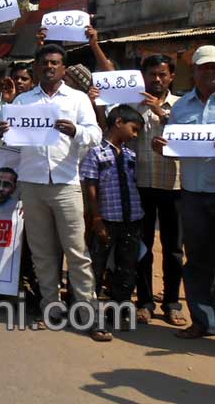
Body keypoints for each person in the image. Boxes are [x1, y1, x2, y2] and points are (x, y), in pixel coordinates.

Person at [0, 44, 109, 341]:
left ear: (63, 68)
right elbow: (13, 144)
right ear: (35, 66)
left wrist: (76, 132)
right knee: (43, 254)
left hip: (66, 183)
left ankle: (89, 315)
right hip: (32, 185)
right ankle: (51, 309)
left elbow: (96, 135)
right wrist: (2, 133)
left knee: (77, 253)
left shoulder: (78, 99)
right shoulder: (23, 100)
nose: (49, 67)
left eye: (55, 63)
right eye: (44, 62)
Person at [152, 45, 215, 339]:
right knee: (197, 258)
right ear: (195, 72)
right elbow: (175, 148)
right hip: (192, 193)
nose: (209, 73)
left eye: (214, 68)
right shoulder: (181, 107)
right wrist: (162, 148)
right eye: (204, 68)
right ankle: (202, 321)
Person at [81, 105, 145, 334]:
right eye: (134, 129)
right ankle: (90, 316)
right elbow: (91, 186)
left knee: (126, 269)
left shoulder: (130, 154)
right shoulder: (96, 153)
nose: (135, 134)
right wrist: (96, 218)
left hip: (132, 219)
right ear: (118, 123)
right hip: (106, 219)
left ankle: (117, 312)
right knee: (96, 268)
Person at [132, 54, 186, 326]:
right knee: (143, 247)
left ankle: (172, 302)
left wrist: (162, 114)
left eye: (162, 74)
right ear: (144, 76)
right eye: (152, 74)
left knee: (174, 248)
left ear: (171, 77)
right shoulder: (132, 105)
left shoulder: (181, 106)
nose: (156, 79)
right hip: (141, 184)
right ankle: (144, 301)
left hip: (173, 186)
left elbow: (189, 139)